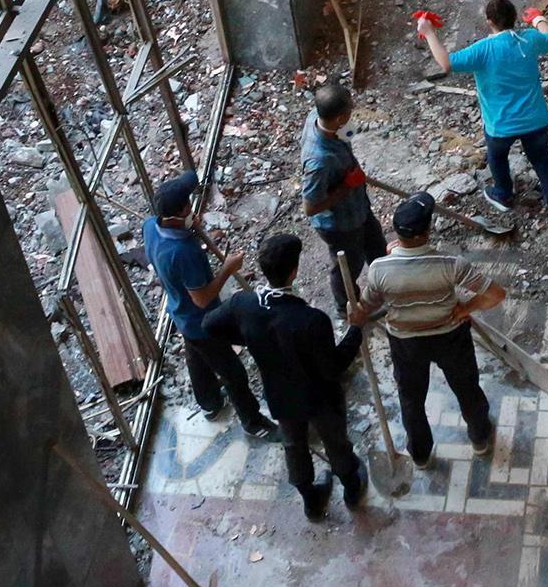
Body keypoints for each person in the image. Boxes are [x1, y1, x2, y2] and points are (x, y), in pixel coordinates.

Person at [205, 233, 369, 519]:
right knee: (335, 443)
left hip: (281, 396)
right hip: (320, 398)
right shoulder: (311, 320)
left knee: (294, 445)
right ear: (294, 271)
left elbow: (209, 325)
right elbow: (332, 367)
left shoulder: (243, 305)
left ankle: (311, 500)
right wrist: (356, 329)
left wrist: (248, 337)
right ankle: (351, 487)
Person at [359, 193, 503, 466]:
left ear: (397, 233)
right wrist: (463, 309)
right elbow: (495, 295)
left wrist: (357, 314)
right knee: (467, 388)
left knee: (411, 399)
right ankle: (480, 437)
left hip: (405, 343)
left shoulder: (379, 269)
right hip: (450, 336)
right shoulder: (451, 266)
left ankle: (421, 454)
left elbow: (367, 307)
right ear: (427, 231)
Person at [142, 174, 279, 440]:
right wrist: (227, 269)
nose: (192, 211)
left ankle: (210, 404)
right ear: (178, 213)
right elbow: (202, 299)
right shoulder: (183, 252)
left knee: (196, 359)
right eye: (188, 207)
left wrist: (189, 230)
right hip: (202, 321)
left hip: (181, 315)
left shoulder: (150, 226)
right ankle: (253, 423)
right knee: (233, 373)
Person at [416, 0, 548, 235]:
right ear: (515, 18)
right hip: (536, 119)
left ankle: (503, 193)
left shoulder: (483, 50)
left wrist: (428, 32)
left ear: (489, 22)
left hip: (500, 124)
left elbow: (445, 64)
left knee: (497, 158)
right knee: (541, 159)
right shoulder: (527, 40)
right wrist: (538, 18)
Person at [301, 81, 387, 317]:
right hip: (340, 224)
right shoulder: (319, 161)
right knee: (348, 267)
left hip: (358, 208)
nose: (352, 114)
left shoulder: (315, 117)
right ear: (339, 118)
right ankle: (347, 307)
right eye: (349, 111)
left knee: (377, 247)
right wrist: (347, 185)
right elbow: (310, 207)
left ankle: (388, 285)